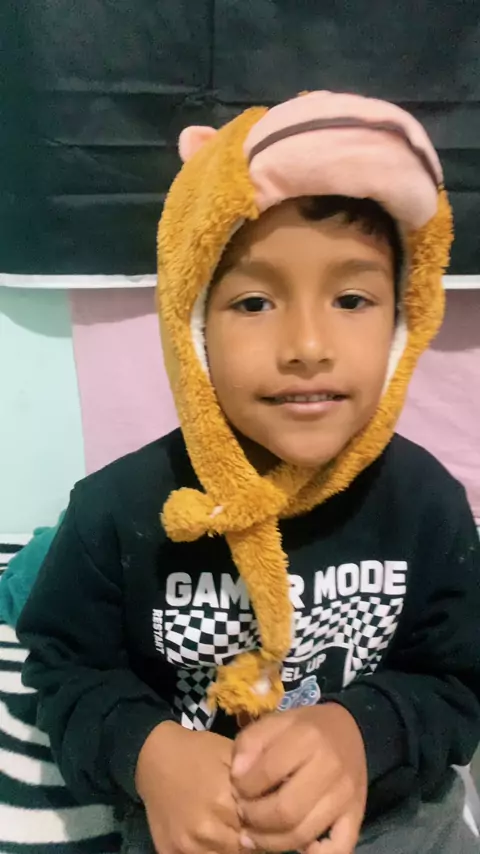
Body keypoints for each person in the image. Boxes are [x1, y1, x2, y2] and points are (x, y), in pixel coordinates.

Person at [17, 91, 480, 854]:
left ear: (404, 318)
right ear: (193, 324)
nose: (307, 346)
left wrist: (361, 734)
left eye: (353, 298)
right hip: (192, 822)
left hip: (390, 813)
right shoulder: (116, 511)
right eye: (256, 302)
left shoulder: (428, 505)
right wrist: (148, 753)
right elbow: (66, 672)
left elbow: (456, 677)